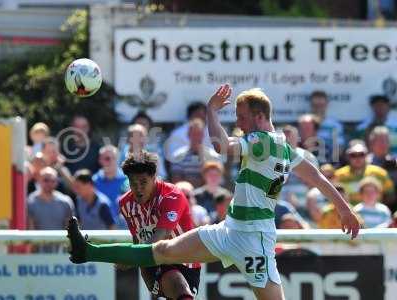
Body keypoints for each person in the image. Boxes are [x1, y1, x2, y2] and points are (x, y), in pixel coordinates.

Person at [67, 84, 360, 300]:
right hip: (231, 229)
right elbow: (318, 178)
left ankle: (89, 250)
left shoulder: (261, 140)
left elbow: (222, 147)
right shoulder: (285, 148)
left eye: (242, 118)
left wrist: (211, 111)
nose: (239, 124)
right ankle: (87, 250)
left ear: (259, 117)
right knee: (164, 251)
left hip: (253, 239)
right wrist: (345, 210)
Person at [118, 152, 201, 299]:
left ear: (154, 177)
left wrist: (131, 259)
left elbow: (159, 237)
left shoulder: (172, 196)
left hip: (184, 261)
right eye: (133, 183)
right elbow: (138, 240)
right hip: (151, 261)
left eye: (143, 182)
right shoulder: (125, 204)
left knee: (175, 280)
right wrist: (147, 278)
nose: (138, 189)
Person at [335, 141, 395, 206]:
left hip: (375, 214)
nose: (358, 158)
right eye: (353, 155)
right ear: (347, 156)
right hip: (347, 214)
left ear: (366, 155)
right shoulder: (338, 175)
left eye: (361, 154)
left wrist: (378, 207)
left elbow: (390, 195)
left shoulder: (380, 173)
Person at [170, 118, 220, 187]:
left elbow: (214, 179)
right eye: (194, 134)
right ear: (188, 135)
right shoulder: (178, 155)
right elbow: (176, 180)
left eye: (199, 134)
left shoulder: (212, 156)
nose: (196, 137)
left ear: (203, 135)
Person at [92, 145, 127, 227]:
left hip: (122, 229)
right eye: (107, 158)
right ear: (100, 160)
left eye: (113, 158)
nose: (110, 161)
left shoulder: (128, 180)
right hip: (99, 227)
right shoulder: (93, 181)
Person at [310, 91, 345, 163]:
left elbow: (339, 147)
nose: (318, 108)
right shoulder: (305, 123)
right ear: (311, 105)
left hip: (328, 161)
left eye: (321, 105)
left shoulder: (335, 125)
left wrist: (331, 164)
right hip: (308, 161)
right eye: (315, 105)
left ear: (327, 105)